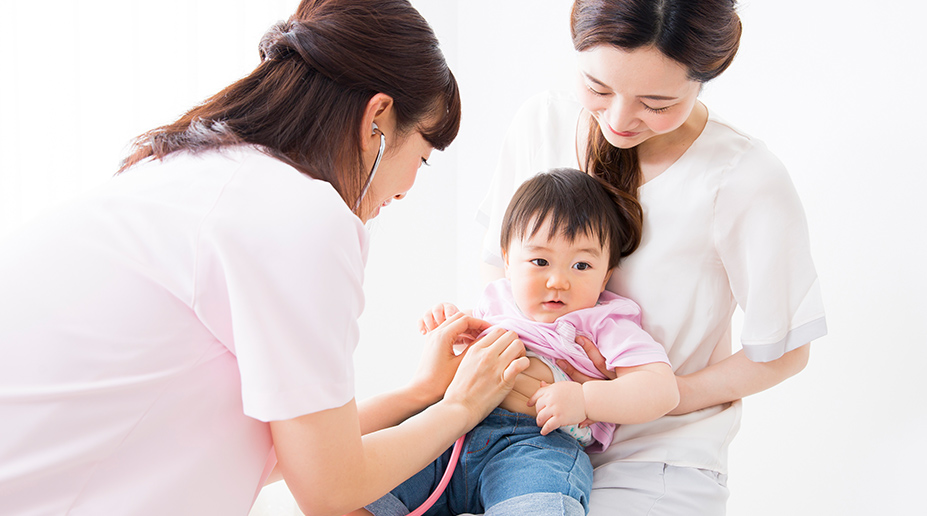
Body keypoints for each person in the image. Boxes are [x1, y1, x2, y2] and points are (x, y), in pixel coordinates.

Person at [0, 1, 529, 515]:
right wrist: (462, 406)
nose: (410, 187)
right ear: (378, 119)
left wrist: (420, 394)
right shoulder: (299, 215)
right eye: (422, 156)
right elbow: (331, 489)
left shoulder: (199, 172)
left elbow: (293, 453)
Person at [477, 0, 828, 514]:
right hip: (522, 437)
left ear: (705, 76)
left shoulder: (743, 177)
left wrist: (638, 395)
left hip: (659, 457)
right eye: (597, 88)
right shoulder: (542, 121)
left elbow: (783, 350)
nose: (619, 119)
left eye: (657, 102)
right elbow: (497, 263)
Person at [363, 168, 679, 516]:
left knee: (539, 503)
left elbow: (661, 390)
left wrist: (585, 399)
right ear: (508, 262)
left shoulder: (604, 320)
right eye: (540, 261)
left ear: (606, 275)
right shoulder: (497, 299)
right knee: (361, 490)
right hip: (449, 433)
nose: (558, 280)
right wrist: (449, 322)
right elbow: (471, 334)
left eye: (582, 265)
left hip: (536, 445)